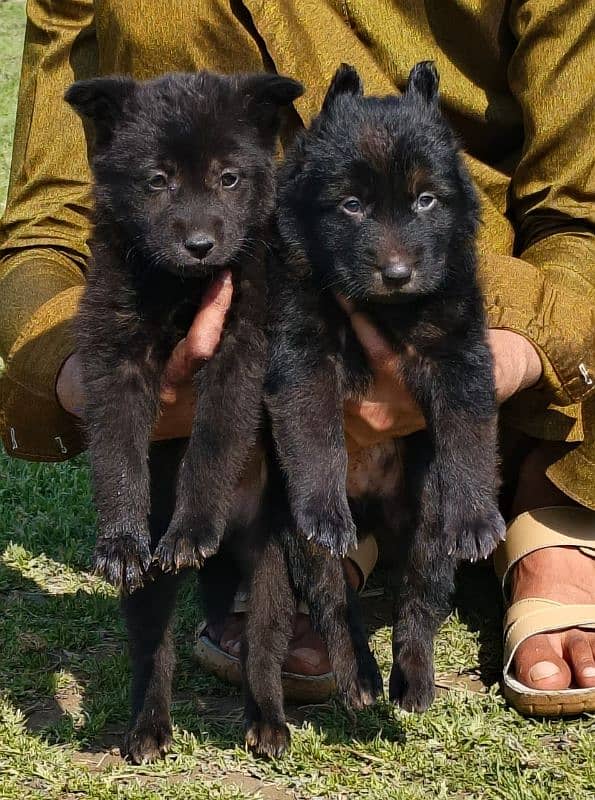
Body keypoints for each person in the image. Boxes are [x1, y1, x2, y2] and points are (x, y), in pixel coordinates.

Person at [1, 1, 593, 716]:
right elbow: (48, 220)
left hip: (477, 288)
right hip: (257, 350)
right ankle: (319, 522)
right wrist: (79, 367)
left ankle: (548, 494)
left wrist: (515, 353)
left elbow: (580, 207)